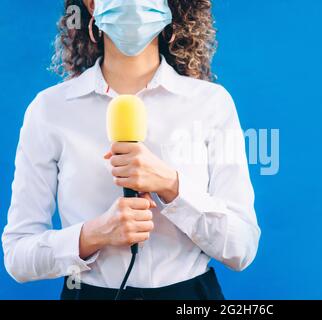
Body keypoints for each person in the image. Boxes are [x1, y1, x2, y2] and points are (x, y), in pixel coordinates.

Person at [2, 0, 260, 300]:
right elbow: (17, 257)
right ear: (91, 4)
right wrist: (93, 235)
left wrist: (171, 186)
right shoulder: (49, 110)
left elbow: (242, 249)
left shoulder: (211, 104)